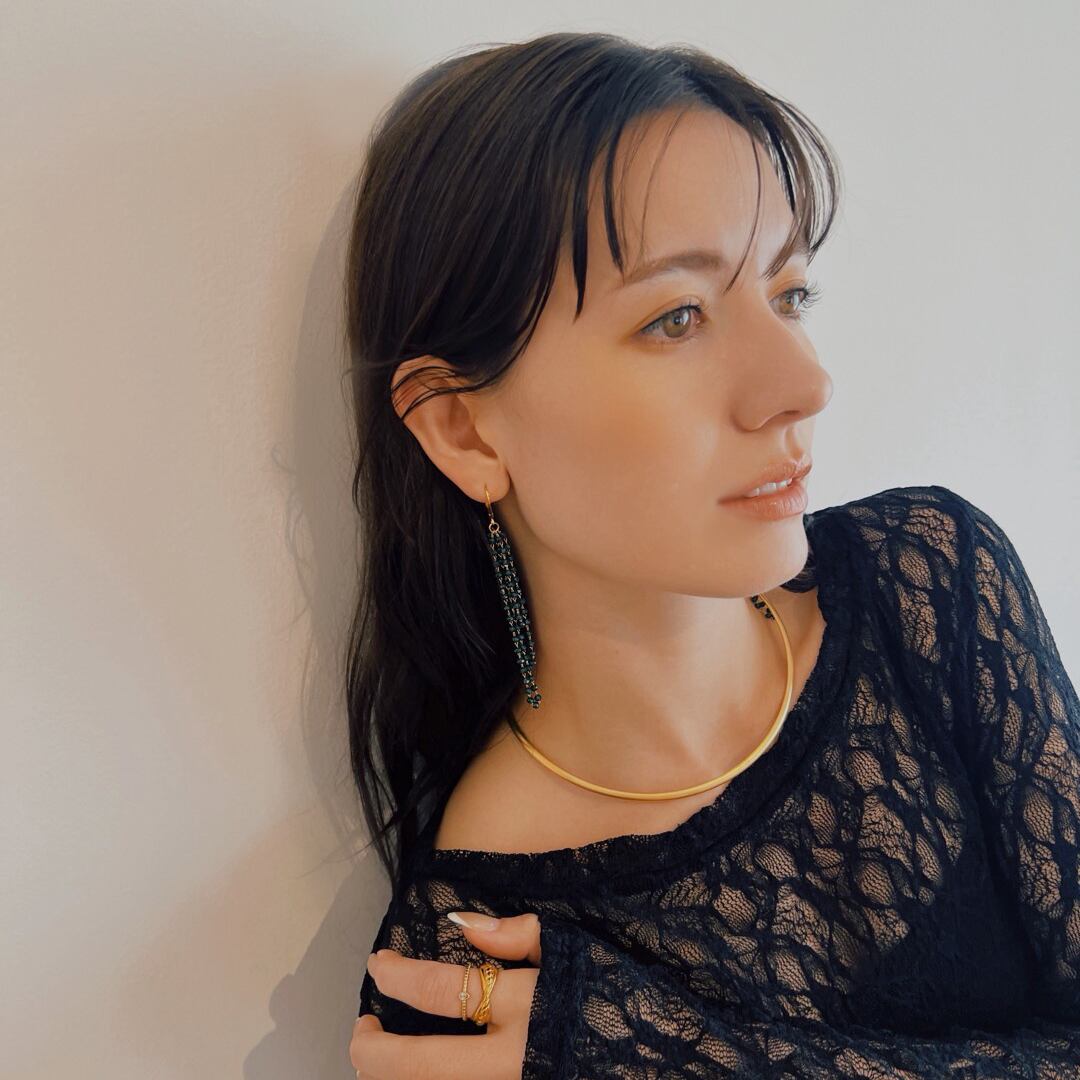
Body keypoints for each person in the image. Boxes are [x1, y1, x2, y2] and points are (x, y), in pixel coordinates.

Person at [342, 31, 1080, 1078]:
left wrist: (678, 1058)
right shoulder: (466, 968)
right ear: (463, 430)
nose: (803, 384)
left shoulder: (931, 585)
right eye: (676, 317)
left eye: (788, 294)